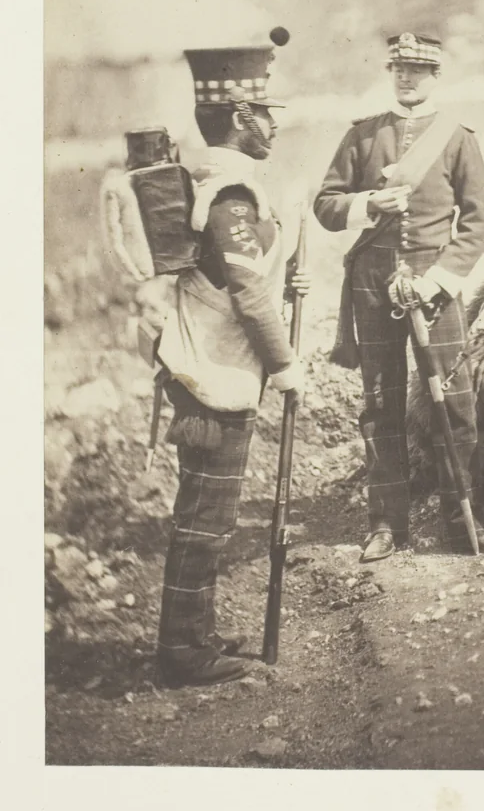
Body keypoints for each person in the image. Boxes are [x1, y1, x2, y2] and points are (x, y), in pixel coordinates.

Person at [314, 32, 484, 561]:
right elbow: (326, 205)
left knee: (454, 400)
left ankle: (463, 522)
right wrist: (368, 204)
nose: (406, 78)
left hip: (433, 284)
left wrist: (439, 279)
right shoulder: (363, 135)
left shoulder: (457, 138)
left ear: (436, 76)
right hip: (372, 282)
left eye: (417, 70)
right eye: (398, 69)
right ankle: (385, 524)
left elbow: (478, 221)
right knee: (380, 402)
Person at [155, 39, 309, 688]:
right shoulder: (231, 195)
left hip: (215, 373)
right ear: (242, 117)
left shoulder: (228, 189)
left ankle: (196, 634)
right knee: (205, 519)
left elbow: (250, 271)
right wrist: (286, 364)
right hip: (211, 378)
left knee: (208, 516)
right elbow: (247, 292)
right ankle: (183, 654)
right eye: (267, 113)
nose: (275, 125)